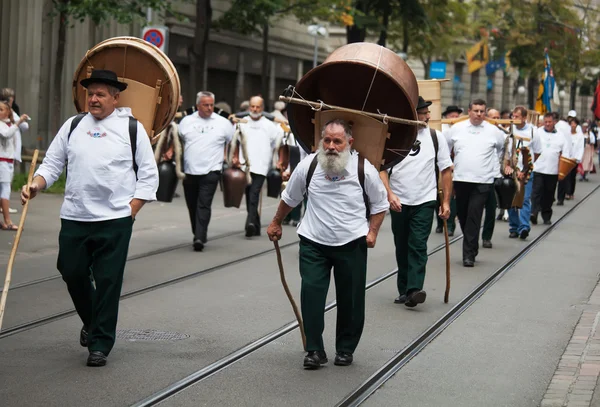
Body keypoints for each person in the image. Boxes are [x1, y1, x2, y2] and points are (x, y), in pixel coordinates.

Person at [21, 69, 159, 367]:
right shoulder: (73, 126)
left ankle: (100, 344)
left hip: (115, 220)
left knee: (108, 280)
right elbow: (52, 164)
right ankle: (94, 321)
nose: (93, 99)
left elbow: (148, 176)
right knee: (70, 270)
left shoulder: (132, 128)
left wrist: (131, 210)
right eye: (90, 93)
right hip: (75, 216)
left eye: (100, 94)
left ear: (115, 97)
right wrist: (35, 185)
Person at [267, 118, 388, 369]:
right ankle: (314, 349)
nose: (331, 146)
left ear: (349, 143)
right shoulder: (309, 165)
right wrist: (276, 221)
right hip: (314, 242)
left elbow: (380, 204)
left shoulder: (364, 169)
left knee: (351, 299)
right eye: (327, 140)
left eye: (337, 141)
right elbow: (290, 197)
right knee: (311, 295)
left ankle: (345, 348)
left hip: (352, 242)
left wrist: (372, 232)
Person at [380, 97, 453, 307]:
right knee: (402, 246)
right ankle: (404, 289)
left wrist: (445, 202)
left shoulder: (436, 137)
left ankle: (414, 289)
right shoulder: (393, 137)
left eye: (428, 112)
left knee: (418, 245)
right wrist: (389, 193)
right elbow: (381, 168)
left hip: (425, 200)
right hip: (399, 201)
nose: (428, 116)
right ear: (412, 114)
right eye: (423, 112)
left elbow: (446, 170)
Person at [445, 99, 505, 267]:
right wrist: (448, 164)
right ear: (469, 111)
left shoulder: (494, 131)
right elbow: (445, 147)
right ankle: (471, 242)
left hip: (483, 181)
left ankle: (469, 255)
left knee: (474, 215)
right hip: (461, 179)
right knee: (463, 216)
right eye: (476, 110)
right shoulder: (457, 129)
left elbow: (500, 149)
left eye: (482, 111)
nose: (479, 114)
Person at [179, 91, 233, 251]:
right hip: (189, 171)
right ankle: (197, 231)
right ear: (198, 106)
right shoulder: (186, 122)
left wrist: (230, 158)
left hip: (212, 170)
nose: (209, 108)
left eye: (211, 105)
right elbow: (177, 141)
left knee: (204, 204)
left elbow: (232, 142)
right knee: (192, 204)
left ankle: (199, 237)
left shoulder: (223, 123)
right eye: (206, 105)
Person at [232, 96, 282, 237]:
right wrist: (235, 157)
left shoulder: (270, 126)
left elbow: (276, 145)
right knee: (249, 195)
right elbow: (235, 142)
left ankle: (250, 224)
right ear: (249, 107)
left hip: (261, 166)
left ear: (262, 108)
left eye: (257, 107)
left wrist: (276, 161)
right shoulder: (242, 123)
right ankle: (256, 224)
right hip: (245, 166)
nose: (255, 109)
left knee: (254, 194)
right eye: (252, 106)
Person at [530, 113, 568, 225]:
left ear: (554, 122)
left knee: (549, 194)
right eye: (545, 122)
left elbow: (565, 152)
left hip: (552, 170)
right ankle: (534, 212)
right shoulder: (537, 132)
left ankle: (546, 215)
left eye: (549, 122)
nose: (547, 124)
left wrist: (563, 168)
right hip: (538, 168)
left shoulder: (561, 135)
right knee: (536, 191)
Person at [507, 106, 535, 240]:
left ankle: (524, 226)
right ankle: (514, 226)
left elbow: (538, 151)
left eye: (517, 116)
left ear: (524, 118)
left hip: (526, 171)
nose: (514, 119)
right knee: (511, 199)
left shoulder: (533, 131)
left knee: (524, 199)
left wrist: (526, 168)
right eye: (513, 116)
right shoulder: (507, 130)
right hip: (511, 170)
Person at [0, 99, 27, 229]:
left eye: (1, 110)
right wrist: (18, 122)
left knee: (4, 189)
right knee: (5, 190)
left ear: (8, 112)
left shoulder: (8, 124)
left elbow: (23, 129)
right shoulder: (2, 125)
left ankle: (4, 221)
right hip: (2, 162)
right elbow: (6, 135)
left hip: (8, 161)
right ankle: (7, 221)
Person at [481, 108, 506, 249]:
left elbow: (506, 152)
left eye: (497, 117)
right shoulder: (482, 132)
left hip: (495, 175)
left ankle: (487, 237)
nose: (496, 120)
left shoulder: (502, 134)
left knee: (491, 208)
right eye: (492, 117)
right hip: (480, 175)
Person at [436, 105, 462, 236]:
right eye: (452, 116)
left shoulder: (461, 129)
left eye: (457, 116)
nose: (455, 118)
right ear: (447, 117)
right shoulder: (443, 130)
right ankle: (441, 223)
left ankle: (450, 225)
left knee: (452, 196)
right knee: (439, 195)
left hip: (456, 167)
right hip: (444, 165)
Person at [557, 116, 584, 204]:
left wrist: (577, 158)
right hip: (565, 158)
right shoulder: (566, 134)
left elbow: (580, 148)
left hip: (574, 159)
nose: (572, 125)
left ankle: (570, 192)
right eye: (571, 123)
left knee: (572, 176)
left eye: (574, 123)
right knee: (565, 176)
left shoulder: (580, 136)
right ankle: (564, 195)